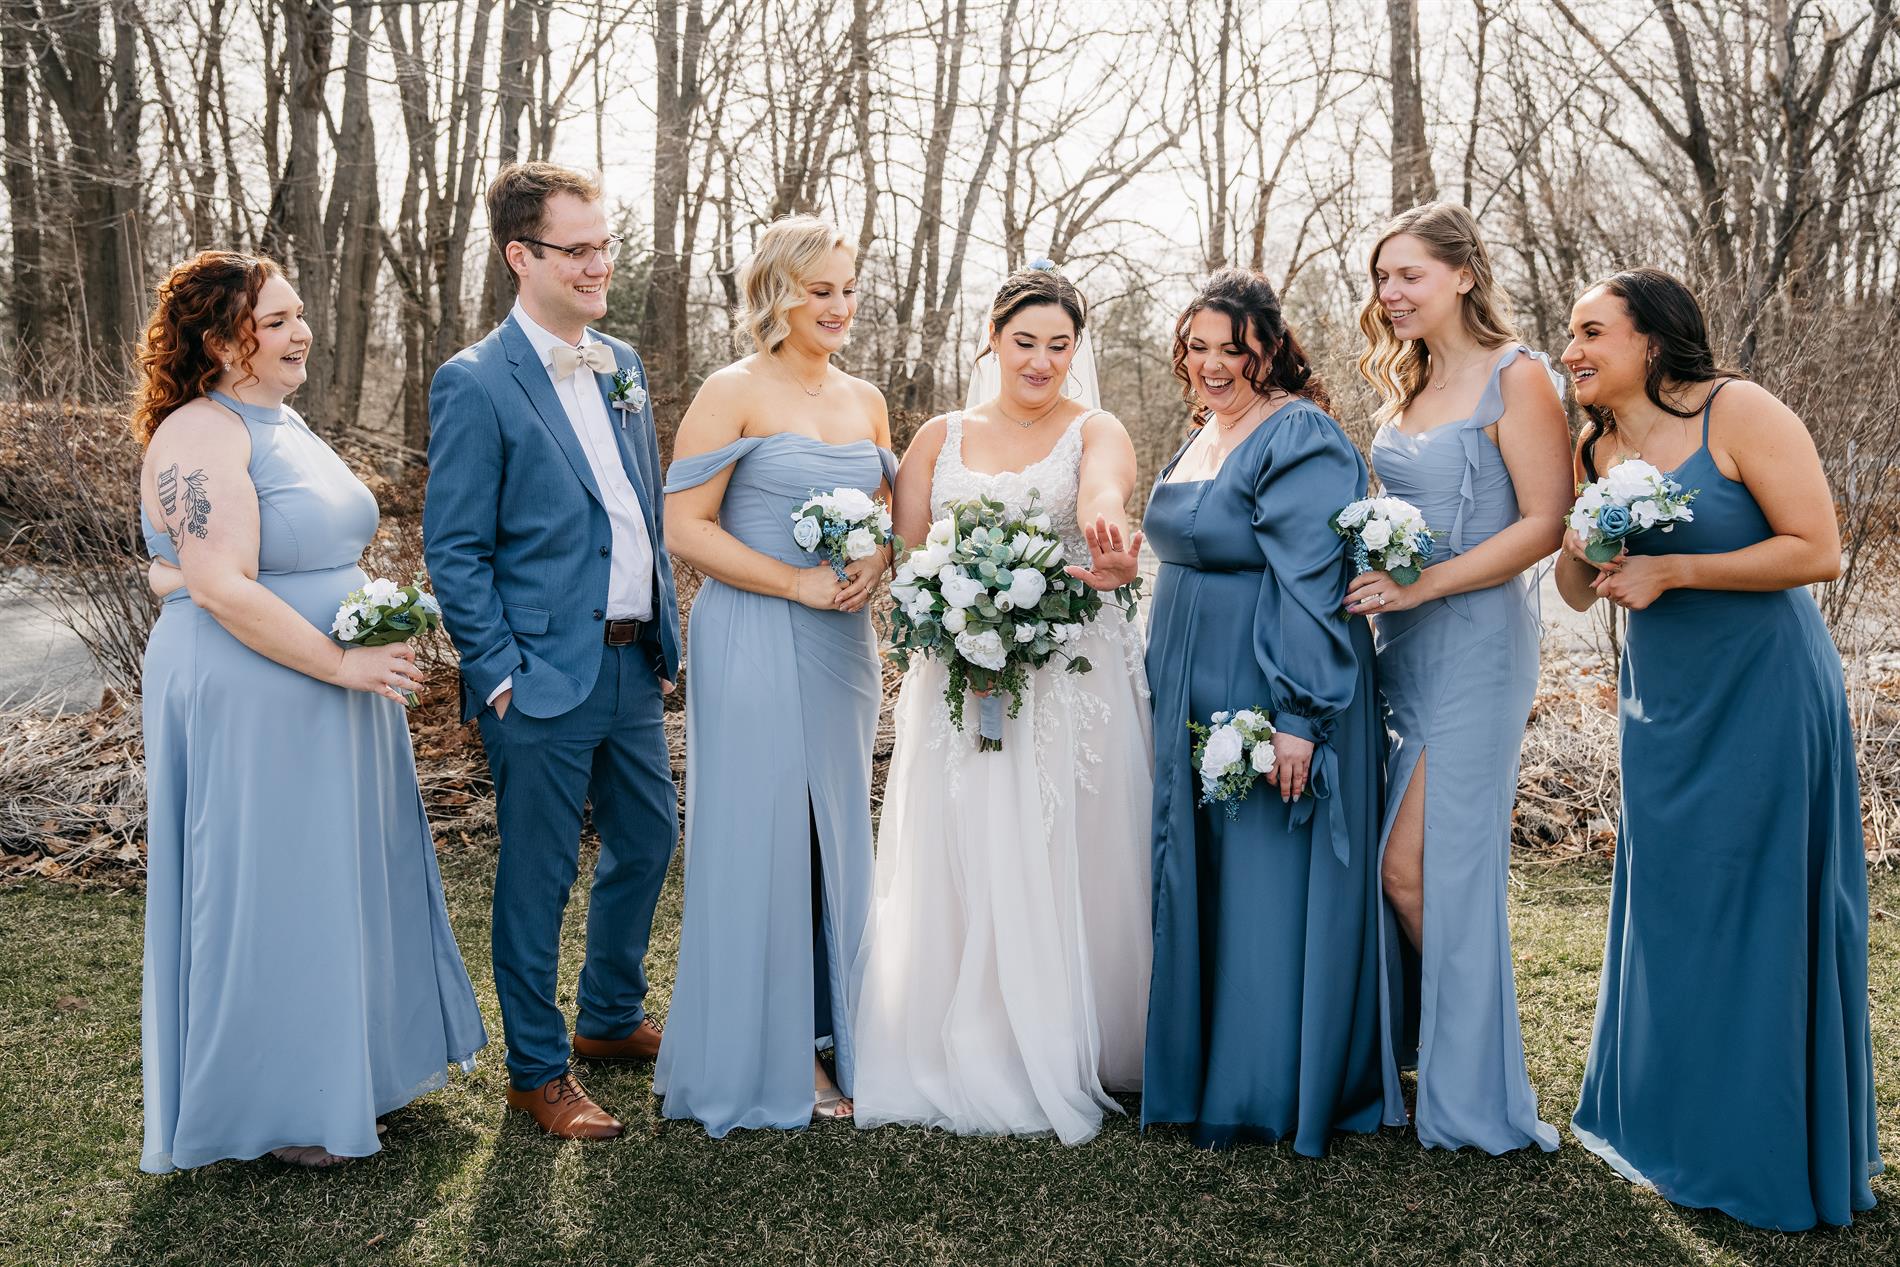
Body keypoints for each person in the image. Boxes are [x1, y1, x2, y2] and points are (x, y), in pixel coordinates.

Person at [136, 250, 485, 1172]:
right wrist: (339, 660)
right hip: (259, 688)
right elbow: (219, 585)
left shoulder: (281, 421)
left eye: (298, 315)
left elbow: (219, 561)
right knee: (274, 885)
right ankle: (281, 1103)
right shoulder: (203, 432)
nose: (303, 332)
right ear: (223, 342)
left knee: (333, 877)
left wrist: (381, 625)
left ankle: (346, 1074)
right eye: (278, 321)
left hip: (331, 684)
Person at [1555, 269, 1881, 1229]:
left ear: (1652, 339)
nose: (1571, 350)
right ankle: (1676, 1127)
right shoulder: (1597, 444)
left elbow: (1817, 549)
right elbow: (1575, 589)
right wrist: (1587, 535)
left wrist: (1677, 569)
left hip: (1764, 688)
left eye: (1592, 331)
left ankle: (1760, 1144)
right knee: (1672, 908)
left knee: (1761, 905)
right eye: (1570, 333)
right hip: (1664, 701)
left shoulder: (1738, 411)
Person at [852, 264, 1153, 1145]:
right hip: (957, 673)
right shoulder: (938, 436)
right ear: (992, 339)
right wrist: (948, 615)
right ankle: (965, 1031)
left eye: (1060, 345)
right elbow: (907, 555)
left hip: (1066, 675)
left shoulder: (1096, 428)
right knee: (966, 835)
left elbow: (1102, 494)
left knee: (1066, 842)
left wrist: (1108, 534)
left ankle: (1080, 1036)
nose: (1042, 361)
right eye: (1025, 342)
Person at [424, 163, 680, 1140]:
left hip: (629, 663)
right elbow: (455, 548)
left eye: (604, 245)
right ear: (519, 256)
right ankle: (536, 1070)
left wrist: (663, 630)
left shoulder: (622, 364)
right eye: (577, 249)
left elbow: (638, 508)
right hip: (535, 677)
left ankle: (609, 1016)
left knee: (649, 839)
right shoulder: (475, 381)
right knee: (538, 877)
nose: (598, 264)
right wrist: (497, 674)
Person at [1140, 268, 1391, 1154]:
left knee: (1262, 879)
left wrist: (1299, 715)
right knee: (1202, 871)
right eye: (1197, 348)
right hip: (1189, 682)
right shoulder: (1204, 432)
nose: (1212, 365)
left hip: (1269, 680)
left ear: (1271, 349)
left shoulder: (1301, 433)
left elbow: (1312, 583)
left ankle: (1264, 1084)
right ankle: (1198, 1065)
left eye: (1233, 350)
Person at [653, 215, 893, 1135]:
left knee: (837, 830)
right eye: (819, 289)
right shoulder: (731, 390)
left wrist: (876, 559)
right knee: (764, 832)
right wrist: (794, 582)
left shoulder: (867, 399)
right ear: (777, 293)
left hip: (843, 644)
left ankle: (847, 1033)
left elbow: (885, 516)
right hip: (752, 628)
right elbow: (685, 528)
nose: (838, 306)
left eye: (847, 289)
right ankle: (776, 1049)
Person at [1349, 202, 1569, 1153]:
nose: (1391, 293)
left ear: (1464, 274)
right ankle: (1434, 1058)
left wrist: (1424, 582)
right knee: (1413, 867)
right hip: (1400, 646)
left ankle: (1479, 1084)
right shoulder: (1409, 379)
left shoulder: (1517, 375)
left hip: (1476, 642)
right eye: (1383, 277)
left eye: (1410, 275)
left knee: (1415, 868)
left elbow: (1546, 521)